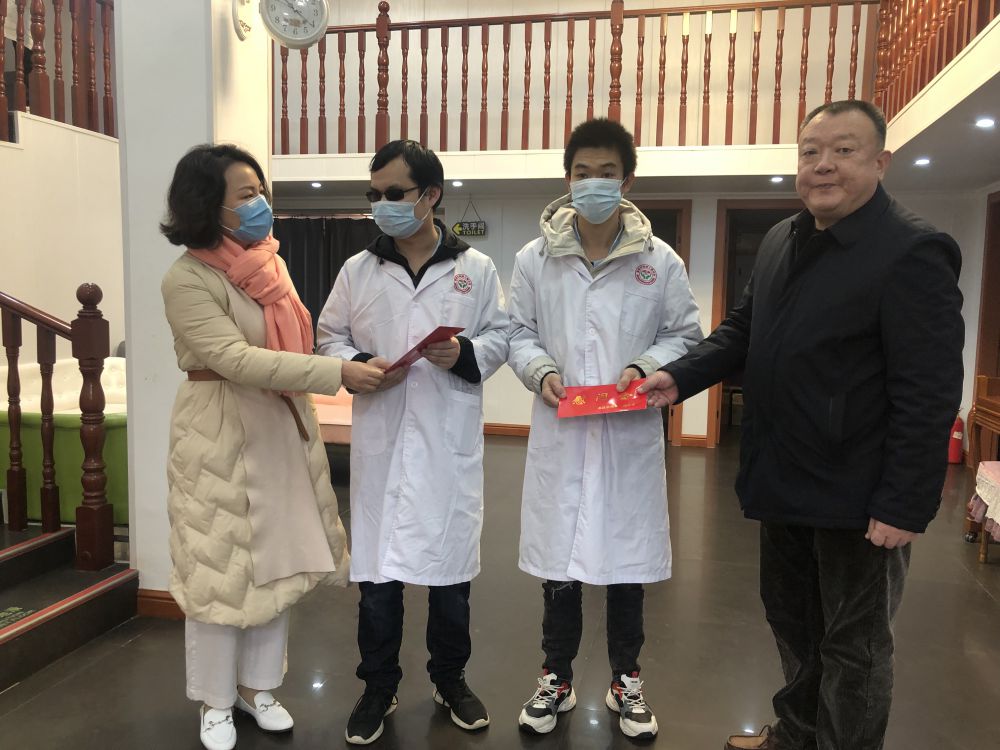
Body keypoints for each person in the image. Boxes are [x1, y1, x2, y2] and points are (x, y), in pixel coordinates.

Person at [639, 100, 964, 750]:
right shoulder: (783, 238)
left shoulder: (912, 251)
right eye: (811, 151)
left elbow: (928, 391)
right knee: (792, 622)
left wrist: (904, 502)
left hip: (858, 493)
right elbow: (744, 328)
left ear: (881, 162)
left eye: (843, 151)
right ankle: (798, 733)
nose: (823, 165)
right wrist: (680, 376)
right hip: (782, 474)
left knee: (855, 646)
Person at [160, 144, 385, 750]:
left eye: (261, 191)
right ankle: (214, 701)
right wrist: (336, 373)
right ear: (208, 205)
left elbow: (290, 342)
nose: (260, 203)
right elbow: (233, 359)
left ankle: (257, 688)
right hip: (218, 430)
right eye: (245, 194)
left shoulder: (269, 264)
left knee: (278, 561)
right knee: (218, 567)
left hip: (280, 423)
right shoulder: (187, 278)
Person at [506, 118, 703, 740]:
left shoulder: (659, 261)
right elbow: (518, 333)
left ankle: (626, 681)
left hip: (627, 433)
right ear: (568, 179)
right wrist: (540, 371)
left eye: (606, 173)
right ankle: (556, 677)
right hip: (562, 431)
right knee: (560, 564)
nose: (593, 183)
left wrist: (644, 367)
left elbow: (684, 334)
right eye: (582, 173)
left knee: (626, 563)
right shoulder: (534, 259)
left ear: (627, 180)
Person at [316, 139, 509, 745]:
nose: (382, 204)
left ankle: (451, 681)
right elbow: (329, 337)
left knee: (450, 582)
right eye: (374, 194)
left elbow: (501, 336)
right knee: (378, 584)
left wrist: (465, 353)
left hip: (446, 445)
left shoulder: (475, 269)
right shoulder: (358, 270)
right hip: (383, 439)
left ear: (430, 196)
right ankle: (378, 686)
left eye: (393, 193)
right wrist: (357, 364)